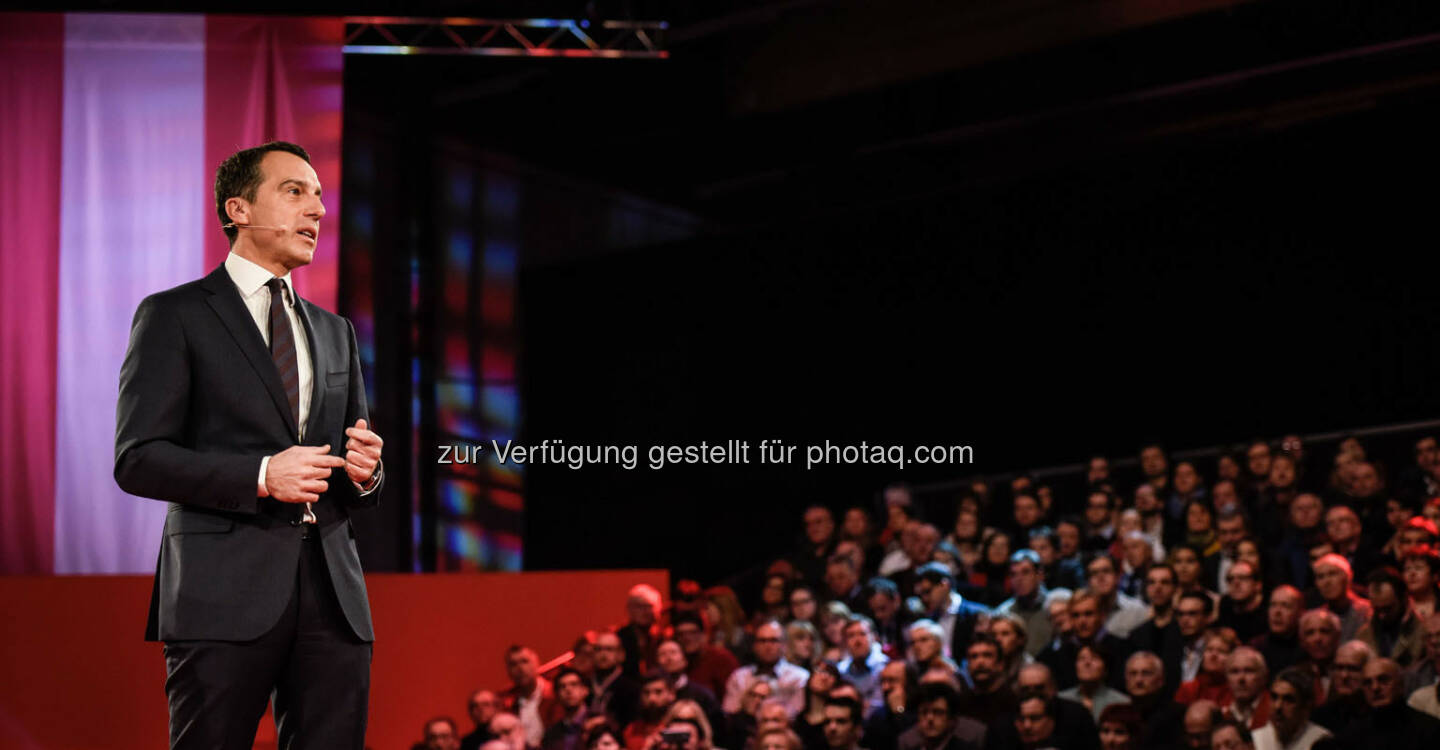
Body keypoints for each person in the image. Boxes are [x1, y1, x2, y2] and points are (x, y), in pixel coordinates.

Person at [114, 141, 385, 748]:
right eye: (295, 191)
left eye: (319, 196)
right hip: (220, 592)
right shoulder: (173, 314)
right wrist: (262, 475)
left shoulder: (335, 331)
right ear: (237, 208)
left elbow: (353, 463)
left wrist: (366, 474)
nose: (316, 209)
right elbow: (137, 458)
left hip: (333, 598)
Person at [1336, 657, 1440, 750]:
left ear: (1400, 684)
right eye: (1368, 683)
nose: (1375, 687)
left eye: (1383, 680)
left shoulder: (1429, 730)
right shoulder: (1352, 735)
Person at [723, 620, 810, 716]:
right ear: (755, 646)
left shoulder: (799, 677)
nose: (767, 646)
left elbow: (797, 714)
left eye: (773, 641)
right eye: (762, 641)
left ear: (784, 645)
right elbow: (729, 712)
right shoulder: (739, 676)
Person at [996, 550, 1070, 656]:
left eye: (1025, 572)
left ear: (1040, 575)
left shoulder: (1056, 607)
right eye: (1013, 574)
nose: (1019, 579)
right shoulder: (1003, 613)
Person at [1251, 668, 1329, 750]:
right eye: (1274, 697)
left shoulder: (1320, 741)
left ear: (1305, 707)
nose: (1278, 706)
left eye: (1288, 700)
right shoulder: (1257, 740)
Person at [503, 645, 563, 747]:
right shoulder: (509, 706)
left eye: (524, 661)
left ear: (536, 663)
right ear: (508, 671)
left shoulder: (557, 694)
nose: (520, 668)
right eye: (513, 664)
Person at [896, 683, 986, 750]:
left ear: (952, 719)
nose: (930, 718)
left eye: (938, 712)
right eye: (924, 712)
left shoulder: (968, 747)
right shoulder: (909, 746)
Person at [1308, 641, 1371, 735]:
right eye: (1339, 668)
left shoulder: (1380, 716)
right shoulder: (1321, 717)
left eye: (1352, 669)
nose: (1344, 676)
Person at [1123, 651, 1183, 750]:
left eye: (1146, 673)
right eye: (1133, 673)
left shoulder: (1176, 715)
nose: (1139, 680)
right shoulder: (1118, 713)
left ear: (1160, 680)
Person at [1058, 643, 1130, 722]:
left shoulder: (1121, 703)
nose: (1087, 663)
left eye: (1094, 658)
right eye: (1081, 658)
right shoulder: (1061, 700)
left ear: (1106, 668)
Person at [1249, 586, 1304, 676]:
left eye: (1285, 606)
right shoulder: (1255, 648)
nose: (1277, 612)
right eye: (1273, 605)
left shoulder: (1307, 647)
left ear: (1300, 612)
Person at [544, 668, 595, 750]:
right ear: (557, 695)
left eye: (574, 684)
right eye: (562, 687)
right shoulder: (551, 734)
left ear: (585, 690)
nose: (568, 690)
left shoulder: (598, 722)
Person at [1222, 647, 1271, 732]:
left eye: (1249, 671)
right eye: (1234, 671)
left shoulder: (1274, 711)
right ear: (1226, 678)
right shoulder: (1221, 715)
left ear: (1264, 676)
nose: (1241, 678)